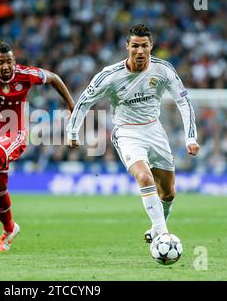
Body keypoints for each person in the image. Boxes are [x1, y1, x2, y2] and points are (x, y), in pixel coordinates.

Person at [67, 24, 200, 242]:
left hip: (154, 130)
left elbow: (183, 102)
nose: (140, 51)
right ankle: (164, 237)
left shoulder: (163, 70)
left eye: (144, 46)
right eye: (135, 46)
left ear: (151, 47)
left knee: (168, 193)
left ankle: (156, 229)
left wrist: (191, 137)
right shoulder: (110, 75)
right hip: (127, 133)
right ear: (127, 46)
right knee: (144, 177)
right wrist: (72, 130)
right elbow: (84, 101)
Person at [0, 41, 75, 252]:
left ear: (15, 61)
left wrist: (71, 105)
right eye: (1, 62)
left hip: (14, 131)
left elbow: (54, 78)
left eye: (10, 61)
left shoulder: (25, 74)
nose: (6, 66)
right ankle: (9, 228)